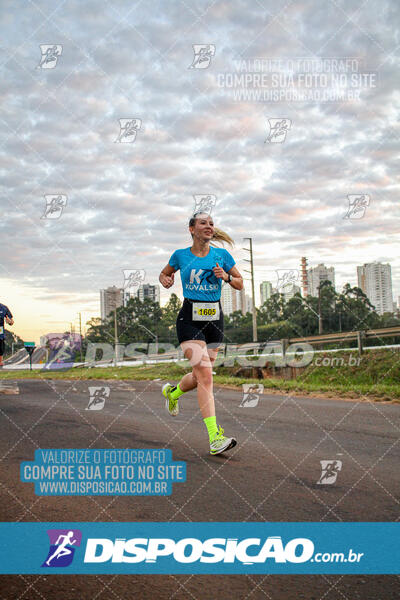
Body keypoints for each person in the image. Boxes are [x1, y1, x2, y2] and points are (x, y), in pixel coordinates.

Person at [159, 211, 244, 455]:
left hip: (214, 320)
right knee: (206, 375)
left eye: (212, 223)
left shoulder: (222, 256)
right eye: (203, 223)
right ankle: (215, 438)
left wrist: (226, 277)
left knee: (199, 378)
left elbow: (240, 282)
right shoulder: (180, 255)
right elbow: (164, 273)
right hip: (189, 320)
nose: (209, 226)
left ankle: (173, 393)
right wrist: (165, 279)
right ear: (192, 229)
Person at [0, 302, 14, 367]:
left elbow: (11, 321)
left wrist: (9, 321)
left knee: (1, 346)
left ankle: (0, 362)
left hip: (0, 332)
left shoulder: (3, 308)